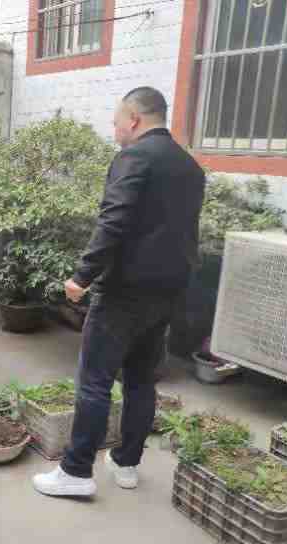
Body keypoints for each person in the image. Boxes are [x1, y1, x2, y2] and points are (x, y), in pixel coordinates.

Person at [33, 88, 205, 497]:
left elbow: (114, 220)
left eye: (115, 123)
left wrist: (82, 276)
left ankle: (76, 472)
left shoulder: (135, 157)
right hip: (167, 293)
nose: (114, 132)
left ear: (133, 119)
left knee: (94, 381)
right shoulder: (191, 167)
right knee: (141, 381)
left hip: (124, 292)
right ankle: (126, 463)